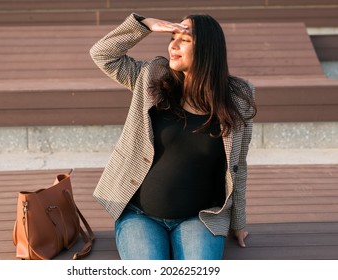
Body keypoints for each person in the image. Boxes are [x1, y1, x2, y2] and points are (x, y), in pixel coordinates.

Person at [90, 13, 256, 260]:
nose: (173, 45)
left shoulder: (237, 98)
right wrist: (145, 25)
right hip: (140, 216)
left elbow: (238, 166)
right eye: (172, 37)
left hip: (200, 218)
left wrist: (238, 222)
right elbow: (103, 54)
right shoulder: (153, 78)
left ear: (208, 49)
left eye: (184, 39)